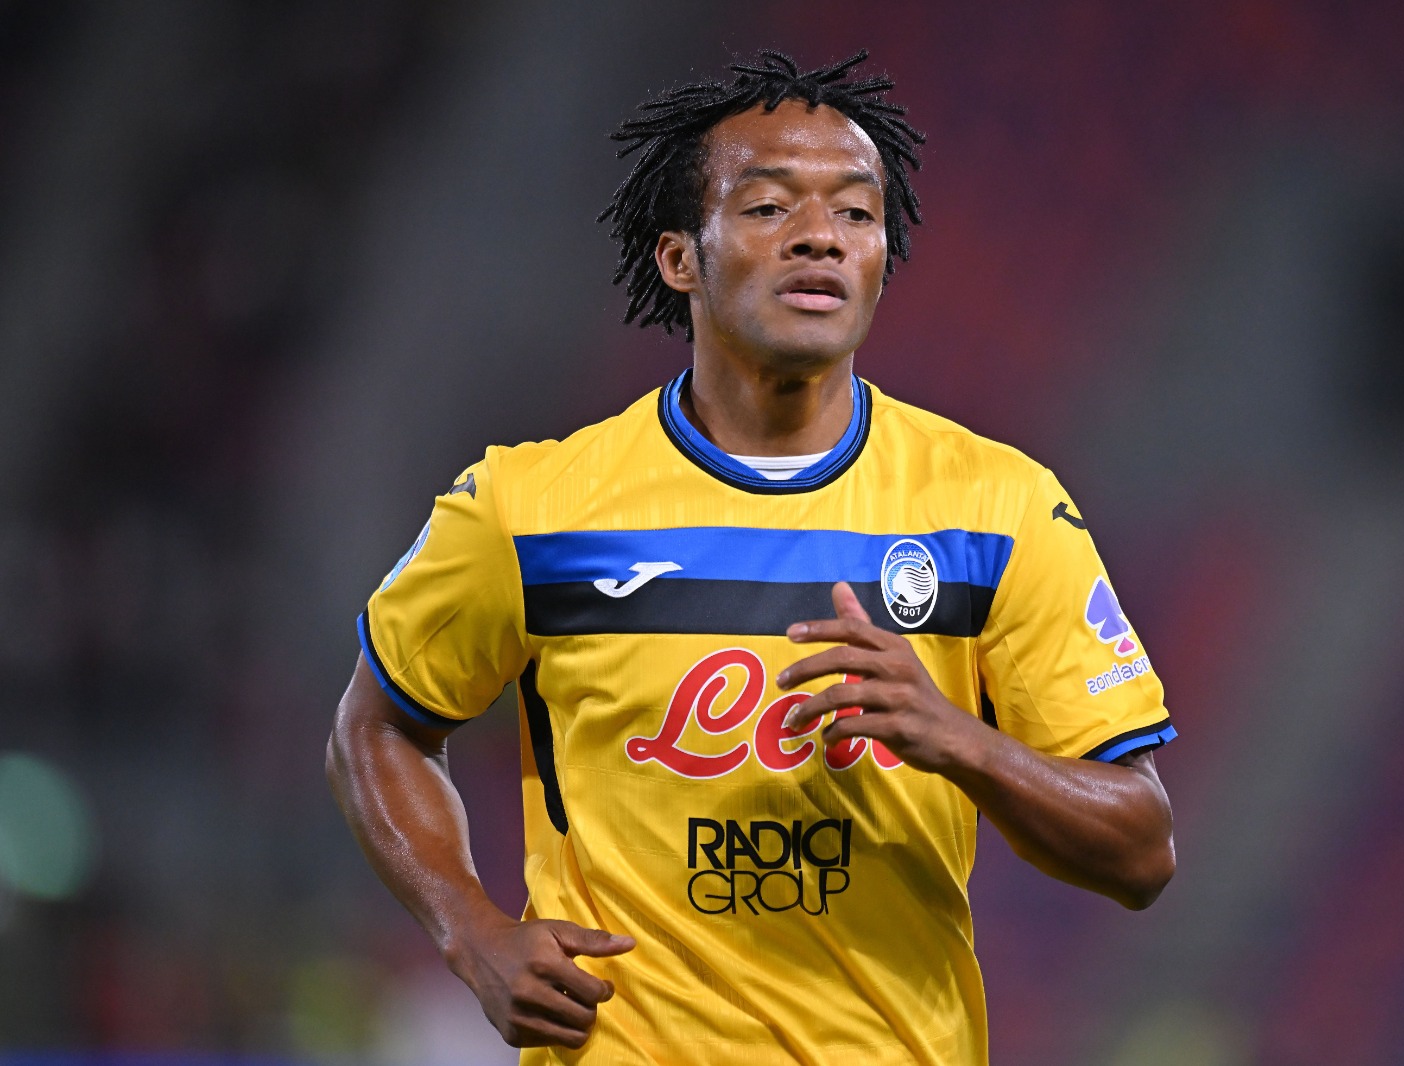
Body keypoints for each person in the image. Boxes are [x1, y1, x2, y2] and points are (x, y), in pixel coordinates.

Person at [327, 50, 1175, 1065]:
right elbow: (375, 730)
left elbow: (1141, 848)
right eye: (770, 207)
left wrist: (956, 737)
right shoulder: (529, 507)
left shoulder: (998, 507)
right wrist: (472, 933)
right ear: (679, 257)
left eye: (857, 215)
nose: (821, 235)